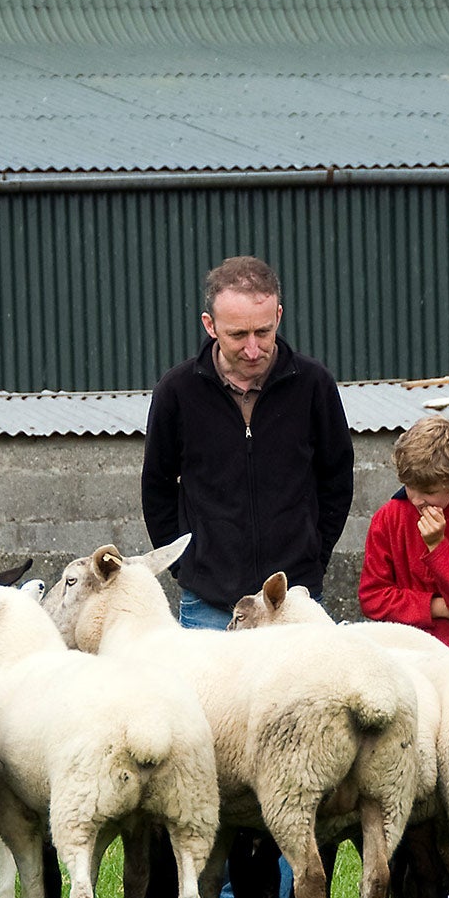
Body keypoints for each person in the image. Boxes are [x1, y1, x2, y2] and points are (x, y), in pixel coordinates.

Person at [142, 256, 355, 631]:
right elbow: (157, 487)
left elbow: (336, 478)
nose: (254, 349)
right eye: (238, 335)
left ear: (279, 316)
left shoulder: (314, 384)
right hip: (208, 603)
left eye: (264, 331)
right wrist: (185, 565)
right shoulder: (176, 392)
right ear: (210, 326)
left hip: (293, 602)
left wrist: (313, 557)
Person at [357, 414, 449, 647]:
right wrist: (438, 607)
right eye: (409, 487)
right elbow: (372, 598)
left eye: (429, 491)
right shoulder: (388, 517)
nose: (415, 499)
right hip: (400, 650)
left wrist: (438, 546)